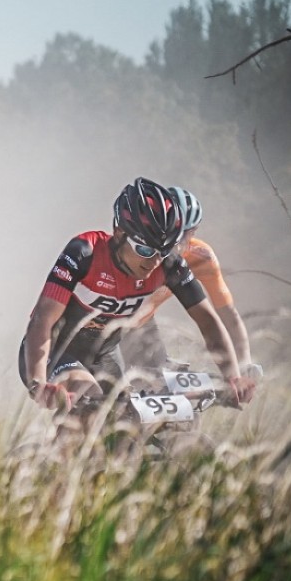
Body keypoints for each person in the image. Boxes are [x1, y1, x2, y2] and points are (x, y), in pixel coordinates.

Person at [20, 176, 256, 416]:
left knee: (127, 420)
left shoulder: (169, 265)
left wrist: (233, 376)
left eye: (163, 251)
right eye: (145, 249)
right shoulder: (84, 252)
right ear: (120, 232)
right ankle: (55, 451)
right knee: (87, 397)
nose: (154, 261)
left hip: (105, 355)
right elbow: (43, 319)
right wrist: (38, 382)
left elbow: (208, 321)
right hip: (57, 351)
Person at [121, 186, 262, 386]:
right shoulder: (138, 248)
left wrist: (244, 361)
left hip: (141, 323)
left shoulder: (201, 256)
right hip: (105, 319)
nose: (175, 241)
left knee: (158, 388)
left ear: (194, 231)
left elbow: (227, 314)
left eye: (183, 233)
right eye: (171, 230)